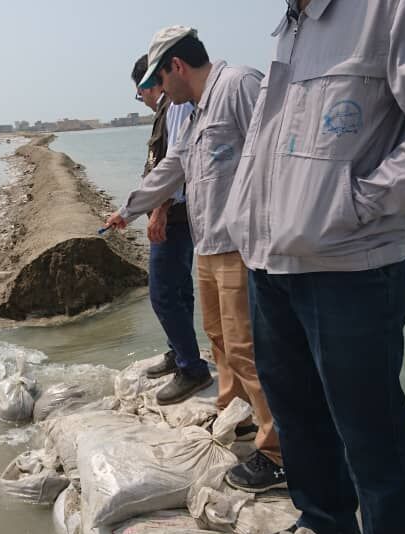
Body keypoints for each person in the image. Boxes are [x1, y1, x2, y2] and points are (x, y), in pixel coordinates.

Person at [222, 1, 405, 534]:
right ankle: (323, 525)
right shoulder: (294, 23)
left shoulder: (389, 7)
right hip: (271, 266)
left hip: (351, 268)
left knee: (373, 440)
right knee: (301, 425)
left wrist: (358, 202)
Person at [105, 26, 285, 491]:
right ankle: (236, 416)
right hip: (208, 245)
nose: (160, 92)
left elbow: (278, 153)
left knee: (249, 349)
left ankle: (278, 451)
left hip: (241, 246)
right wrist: (128, 210)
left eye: (161, 82)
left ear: (176, 67)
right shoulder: (196, 112)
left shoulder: (240, 86)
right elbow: (174, 168)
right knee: (220, 340)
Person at [129, 54, 204, 399]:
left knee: (162, 294)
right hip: (176, 214)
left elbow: (176, 163)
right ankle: (180, 352)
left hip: (172, 216)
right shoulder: (168, 109)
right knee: (179, 291)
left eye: (139, 92)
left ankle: (191, 367)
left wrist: (158, 211)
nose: (141, 100)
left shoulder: (174, 107)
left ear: (150, 84)